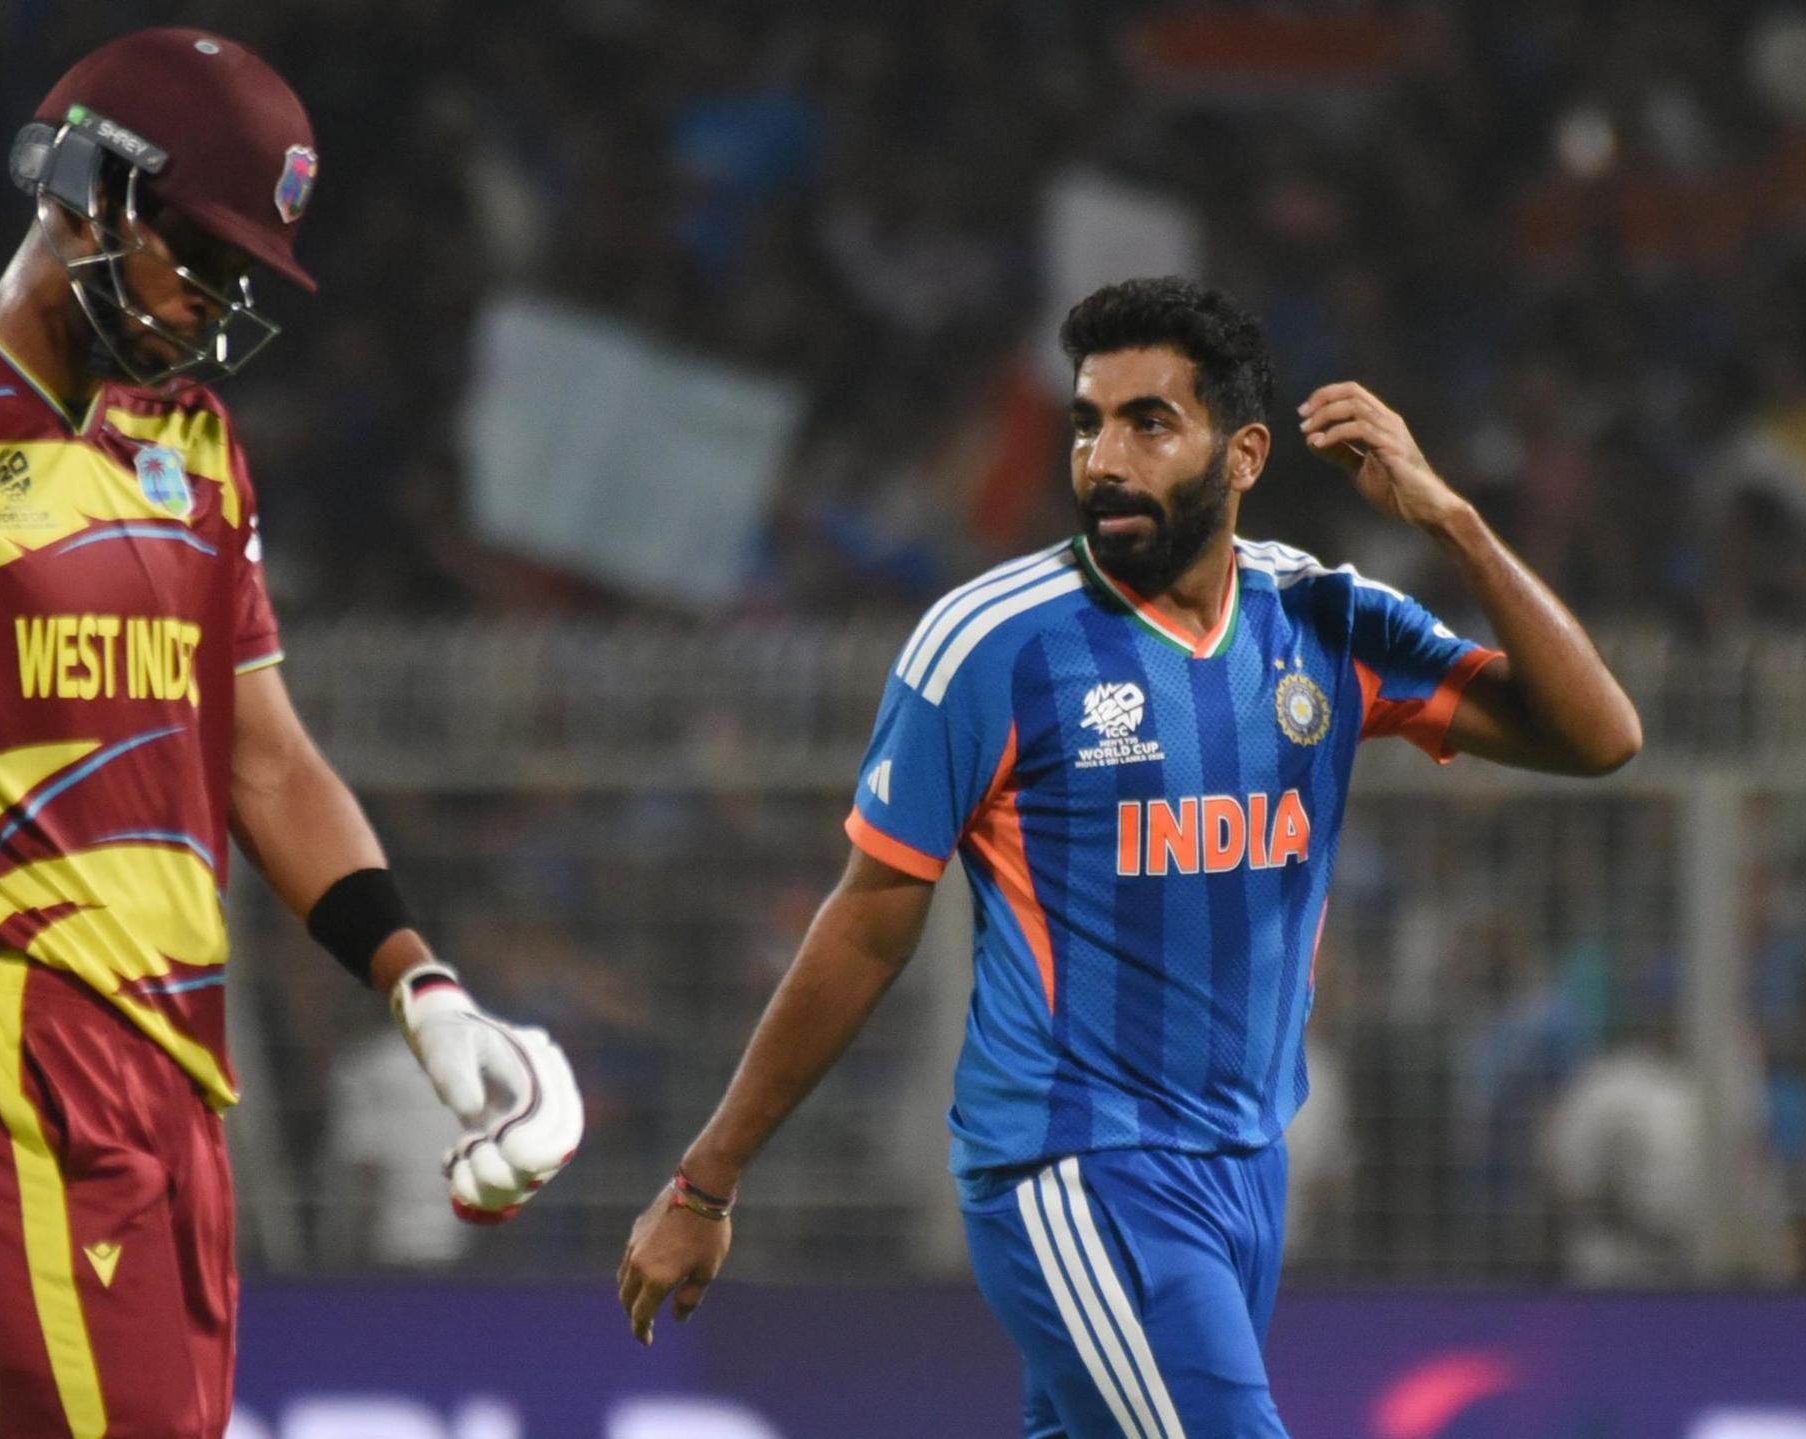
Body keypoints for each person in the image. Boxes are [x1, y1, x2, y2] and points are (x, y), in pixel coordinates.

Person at [0, 29, 582, 1437]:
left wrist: (421, 986)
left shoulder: (198, 443)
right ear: (90, 186)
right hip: (5, 1057)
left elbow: (266, 758)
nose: (217, 302)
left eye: (245, 274)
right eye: (202, 253)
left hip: (178, 1078)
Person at [618, 276, 1640, 1434]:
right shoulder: (991, 644)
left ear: (1243, 454)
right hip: (1076, 1168)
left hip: (1244, 1171)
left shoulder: (1323, 618)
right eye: (1087, 423)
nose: (1103, 459)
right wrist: (705, 1180)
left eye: (1148, 423)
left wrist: (1451, 521)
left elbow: (1599, 735)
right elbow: (866, 920)